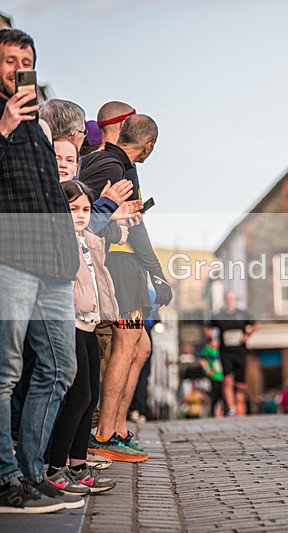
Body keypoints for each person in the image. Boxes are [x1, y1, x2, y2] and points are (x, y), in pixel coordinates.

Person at [0, 28, 83, 513]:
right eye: (10, 60)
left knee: (60, 367)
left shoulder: (37, 123)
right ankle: (6, 475)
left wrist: (68, 255)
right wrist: (4, 126)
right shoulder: (8, 118)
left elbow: (52, 193)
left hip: (52, 261)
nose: (18, 68)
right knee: (6, 369)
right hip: (10, 256)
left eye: (25, 60)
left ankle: (33, 473)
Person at [81, 114, 172, 462]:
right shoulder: (116, 169)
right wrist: (158, 273)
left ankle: (117, 428)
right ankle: (104, 434)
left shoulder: (109, 162)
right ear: (148, 147)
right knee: (127, 341)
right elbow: (131, 229)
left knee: (140, 347)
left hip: (119, 265)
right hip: (119, 266)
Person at [46, 180, 117, 495]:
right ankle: (55, 468)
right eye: (73, 208)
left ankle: (78, 465)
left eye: (86, 209)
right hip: (71, 325)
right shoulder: (59, 240)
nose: (80, 215)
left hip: (90, 326)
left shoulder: (91, 241)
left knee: (90, 398)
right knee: (76, 399)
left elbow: (100, 281)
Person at [204, 290, 257, 416]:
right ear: (225, 300)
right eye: (228, 299)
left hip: (240, 352)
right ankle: (231, 408)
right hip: (225, 352)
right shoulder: (219, 315)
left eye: (232, 298)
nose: (230, 301)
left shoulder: (242, 314)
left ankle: (240, 408)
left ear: (235, 300)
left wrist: (247, 335)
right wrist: (212, 340)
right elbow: (207, 328)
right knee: (227, 380)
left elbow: (256, 324)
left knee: (240, 385)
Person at [199, 339, 226, 417]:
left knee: (223, 395)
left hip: (223, 376)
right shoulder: (208, 349)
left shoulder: (222, 348)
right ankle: (213, 413)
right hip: (214, 376)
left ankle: (222, 412)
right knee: (215, 395)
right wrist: (208, 370)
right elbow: (202, 359)